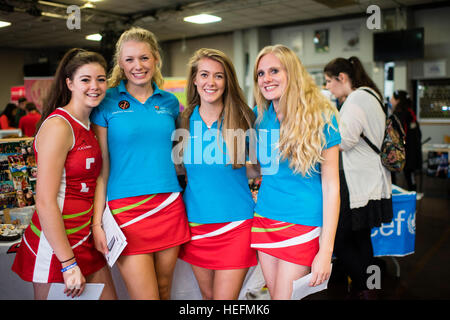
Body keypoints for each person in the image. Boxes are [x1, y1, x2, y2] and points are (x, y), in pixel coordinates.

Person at [90, 27, 190, 300]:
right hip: (126, 211)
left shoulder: (170, 102)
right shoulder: (106, 101)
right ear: (120, 64)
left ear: (156, 59)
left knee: (164, 289)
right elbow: (102, 166)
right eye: (130, 59)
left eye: (144, 58)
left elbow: (178, 154)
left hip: (169, 204)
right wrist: (97, 223)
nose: (138, 66)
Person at [11, 48, 117, 300]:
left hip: (86, 238)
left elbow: (98, 179)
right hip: (56, 246)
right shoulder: (59, 126)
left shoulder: (91, 125)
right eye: (85, 79)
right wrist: (68, 263)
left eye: (101, 79)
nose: (95, 86)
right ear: (69, 83)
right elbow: (45, 201)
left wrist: (97, 225)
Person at [250, 45, 341, 299]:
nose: (266, 79)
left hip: (302, 224)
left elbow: (332, 187)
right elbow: (260, 168)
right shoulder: (260, 115)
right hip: (265, 219)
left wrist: (325, 251)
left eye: (274, 71)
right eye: (261, 73)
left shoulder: (322, 117)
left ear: (292, 73)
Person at [176, 48, 257, 299]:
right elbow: (180, 168)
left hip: (237, 225)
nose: (211, 82)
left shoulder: (244, 117)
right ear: (195, 80)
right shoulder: (184, 120)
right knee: (208, 298)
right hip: (196, 225)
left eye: (219, 76)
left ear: (227, 81)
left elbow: (257, 168)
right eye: (204, 74)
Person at [324, 56, 393, 300]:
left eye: (329, 82)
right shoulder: (372, 94)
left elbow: (344, 140)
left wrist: (321, 133)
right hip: (371, 180)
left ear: (342, 78)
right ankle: (368, 288)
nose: (328, 87)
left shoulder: (356, 99)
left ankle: (365, 284)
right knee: (360, 236)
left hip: (359, 183)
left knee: (339, 239)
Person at [390, 90, 422, 191]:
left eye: (392, 98)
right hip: (412, 149)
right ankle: (413, 194)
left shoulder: (398, 115)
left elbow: (393, 134)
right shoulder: (410, 112)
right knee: (410, 175)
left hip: (403, 150)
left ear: (398, 100)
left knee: (392, 172)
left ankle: (394, 196)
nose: (390, 100)